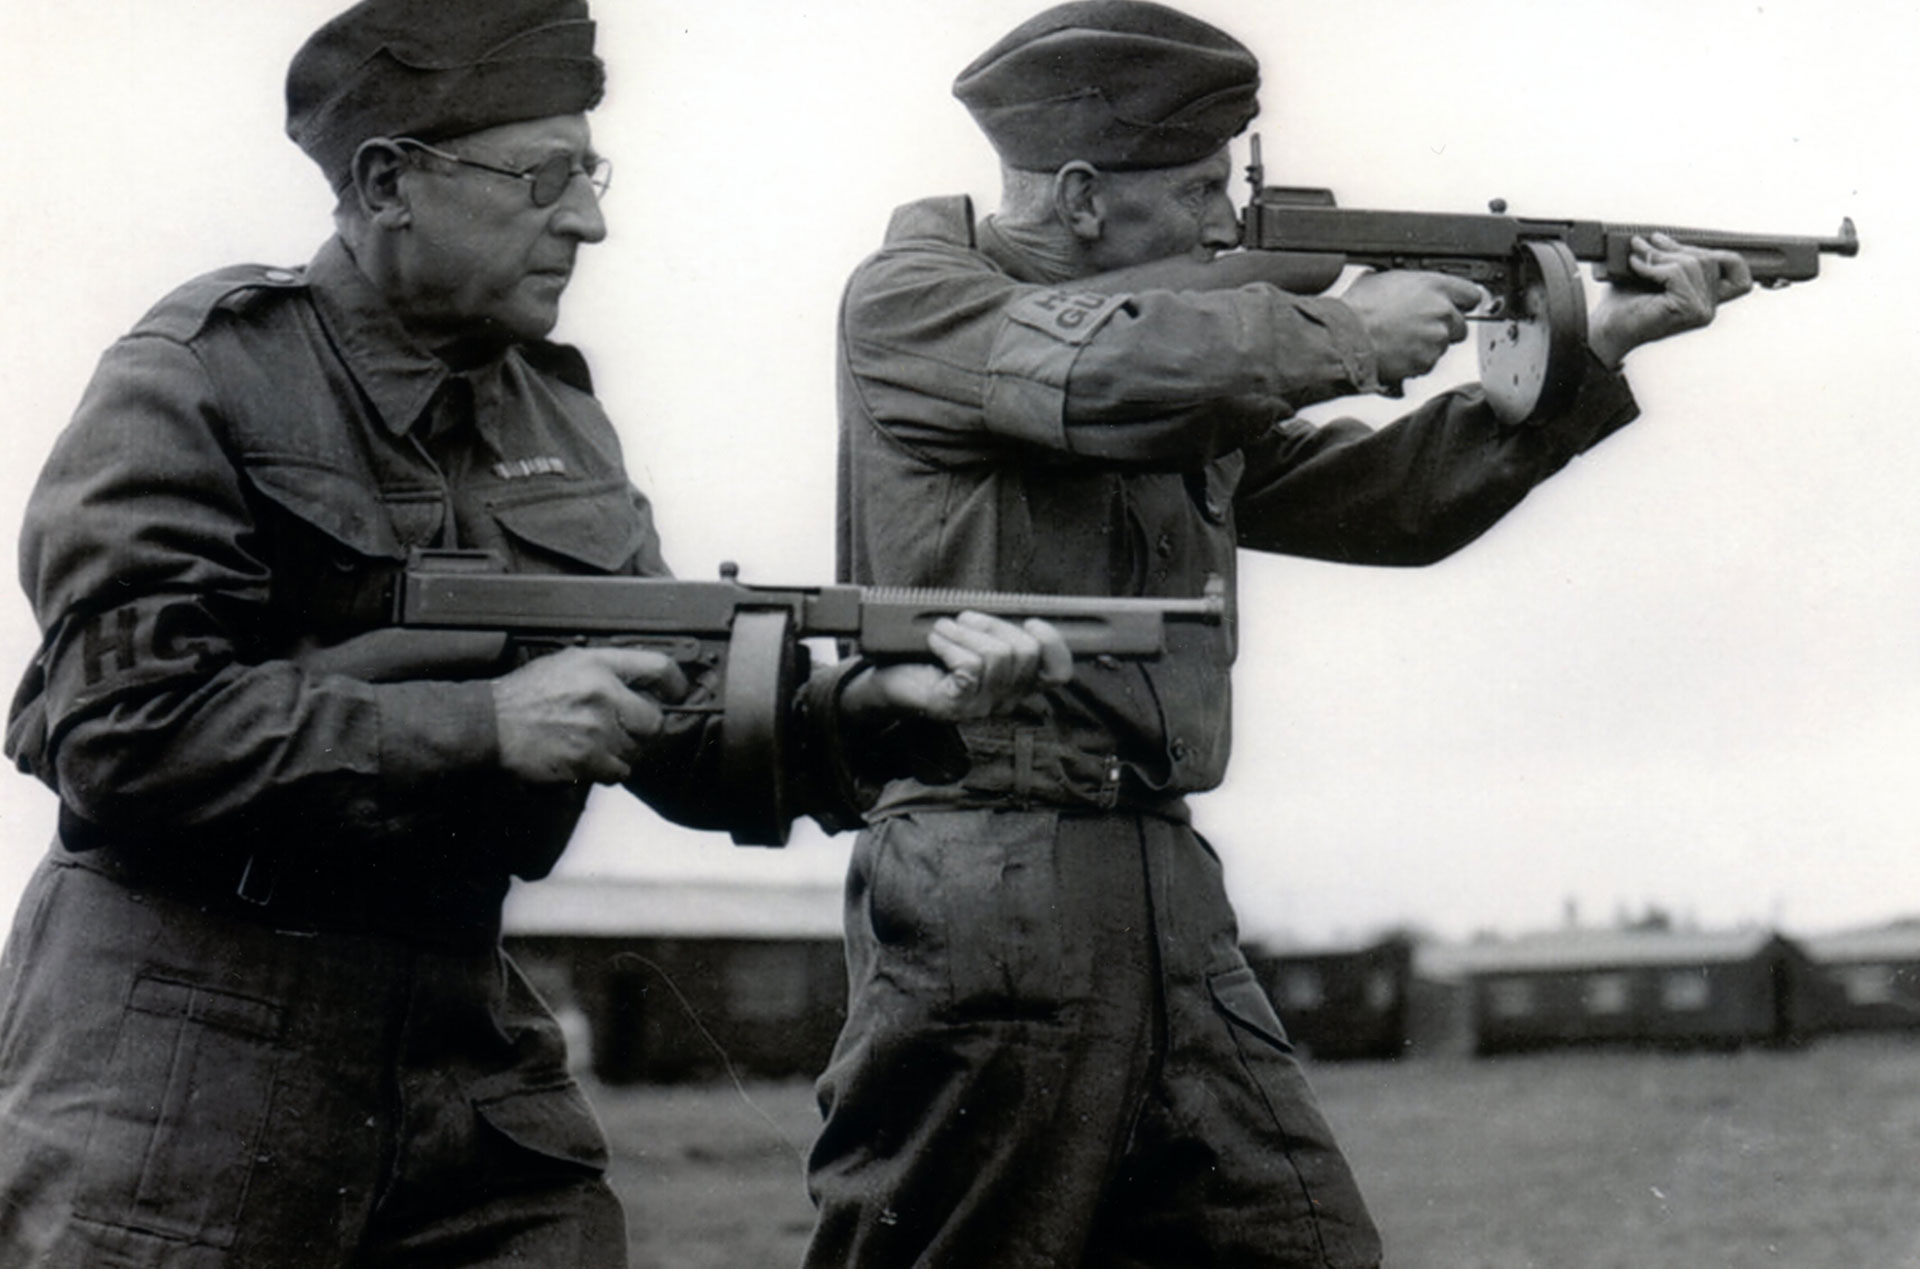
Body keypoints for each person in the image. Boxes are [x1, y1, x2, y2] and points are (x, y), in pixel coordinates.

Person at [0, 2, 1071, 1266]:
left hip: (459, 1025)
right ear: (390, 181)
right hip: (186, 1031)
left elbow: (669, 715)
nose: (588, 218)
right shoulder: (197, 375)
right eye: (542, 174)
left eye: (591, 173)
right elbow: (120, 733)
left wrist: (875, 707)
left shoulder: (554, 413)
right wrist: (486, 725)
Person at [813, 2, 1757, 1266]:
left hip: (1158, 875)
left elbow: (1382, 506)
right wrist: (1352, 336)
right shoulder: (916, 305)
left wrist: (1585, 351)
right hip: (987, 869)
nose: (1224, 224)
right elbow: (1105, 371)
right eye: (1201, 189)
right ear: (1083, 196)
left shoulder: (1176, 366)